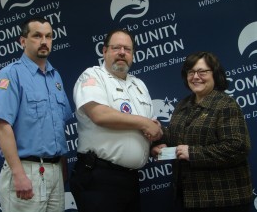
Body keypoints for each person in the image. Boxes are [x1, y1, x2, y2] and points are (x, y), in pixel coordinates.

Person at [69, 28, 163, 212]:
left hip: (130, 179)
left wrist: (154, 139)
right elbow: (100, 115)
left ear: (133, 54)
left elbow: (148, 125)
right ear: (104, 51)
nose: (122, 53)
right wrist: (144, 123)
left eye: (127, 49)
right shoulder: (93, 76)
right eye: (116, 48)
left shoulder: (139, 85)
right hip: (99, 179)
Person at [151, 51, 253, 212]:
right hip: (188, 198)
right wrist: (158, 136)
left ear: (215, 74)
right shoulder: (183, 104)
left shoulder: (226, 105)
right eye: (191, 72)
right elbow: (176, 137)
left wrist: (193, 153)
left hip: (223, 200)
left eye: (202, 72)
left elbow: (238, 147)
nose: (195, 77)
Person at [0, 17, 72, 212]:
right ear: (23, 41)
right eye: (37, 36)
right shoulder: (10, 75)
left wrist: (62, 166)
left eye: (49, 36)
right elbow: (2, 125)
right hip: (26, 169)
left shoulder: (55, 77)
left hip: (55, 170)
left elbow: (58, 125)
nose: (44, 41)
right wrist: (18, 173)